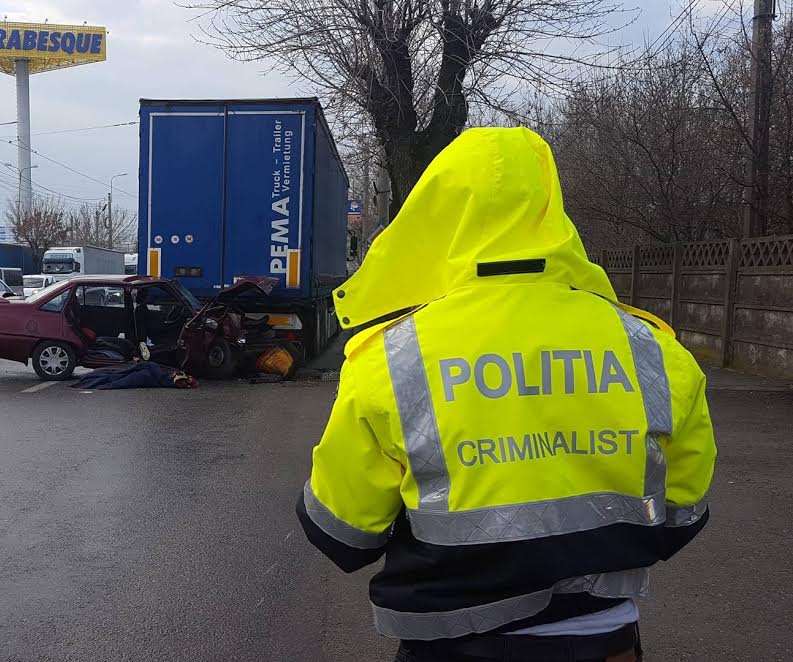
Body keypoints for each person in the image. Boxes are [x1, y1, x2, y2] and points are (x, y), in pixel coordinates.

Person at [296, 127, 715, 662]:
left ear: (437, 216)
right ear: (551, 210)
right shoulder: (652, 350)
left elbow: (342, 534)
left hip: (452, 645)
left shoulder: (393, 357)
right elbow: (681, 514)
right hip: (605, 642)